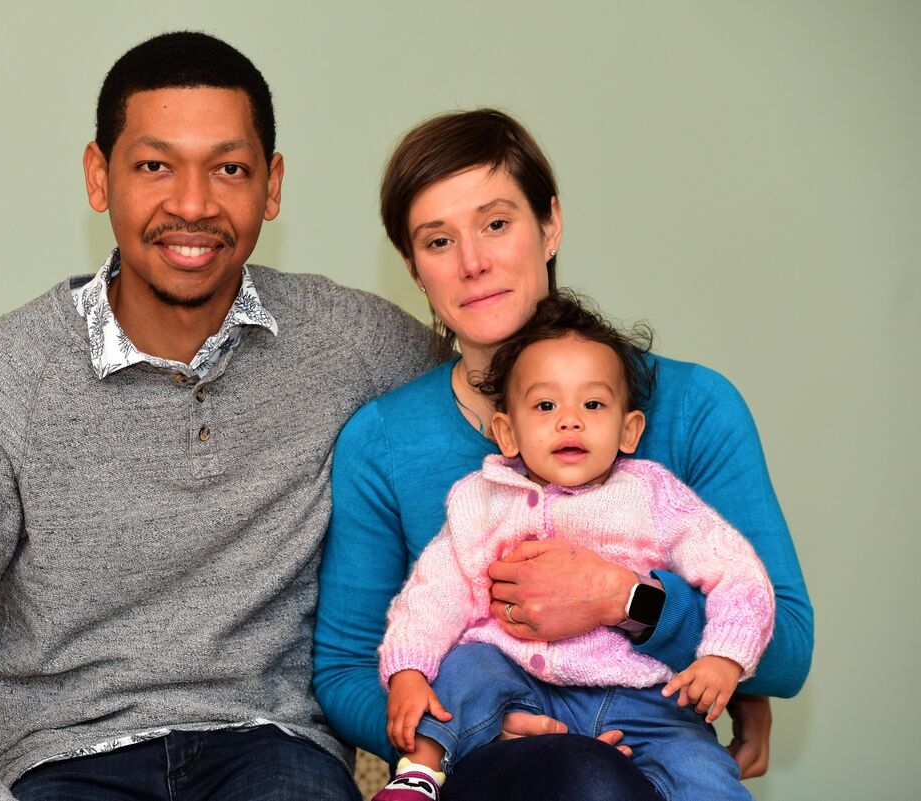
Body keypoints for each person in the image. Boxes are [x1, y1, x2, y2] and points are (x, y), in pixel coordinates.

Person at [0, 32, 445, 801]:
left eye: (230, 169)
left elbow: (508, 390)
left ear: (271, 187)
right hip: (59, 759)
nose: (192, 204)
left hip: (271, 750)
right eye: (154, 165)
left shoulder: (352, 341)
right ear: (97, 175)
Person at [314, 109, 814, 800]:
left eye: (496, 223)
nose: (473, 262)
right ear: (413, 266)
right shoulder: (382, 440)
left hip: (656, 735)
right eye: (438, 240)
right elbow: (344, 669)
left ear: (550, 225)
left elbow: (785, 649)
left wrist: (624, 600)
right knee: (582, 779)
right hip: (493, 768)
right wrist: (475, 724)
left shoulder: (695, 407)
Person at [373, 291, 775, 801]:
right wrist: (408, 670)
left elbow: (738, 571)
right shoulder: (481, 500)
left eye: (593, 403)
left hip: (645, 700)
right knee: (467, 664)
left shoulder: (652, 495)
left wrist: (725, 657)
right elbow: (434, 593)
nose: (570, 420)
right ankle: (419, 773)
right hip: (518, 683)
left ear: (629, 430)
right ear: (508, 432)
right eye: (545, 405)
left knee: (704, 768)